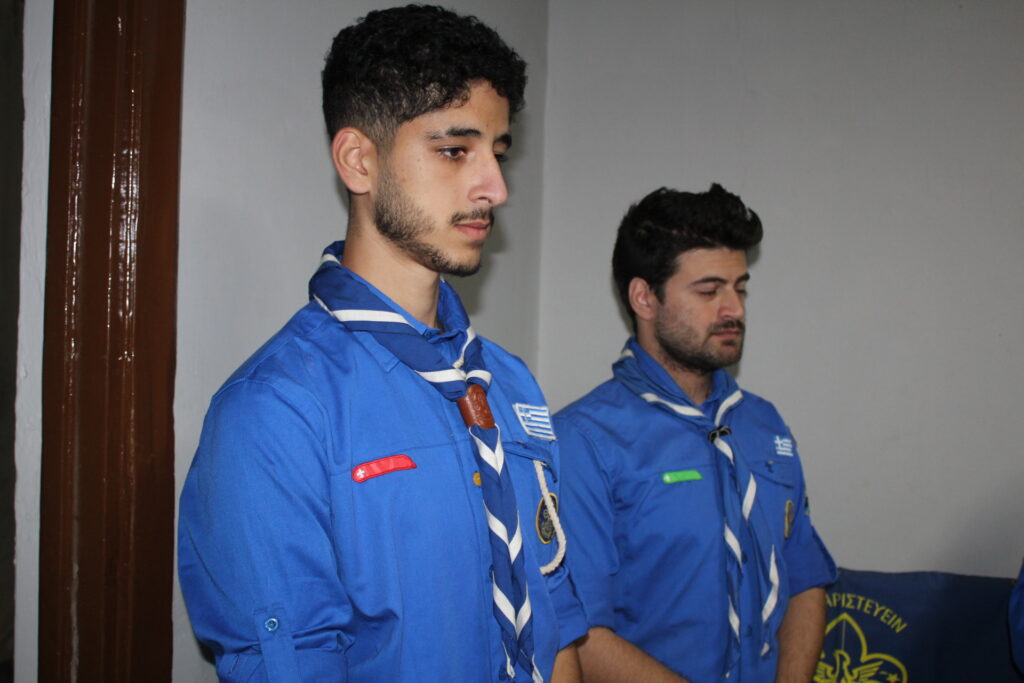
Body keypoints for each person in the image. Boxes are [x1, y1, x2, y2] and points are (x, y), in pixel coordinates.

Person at [178, 6, 585, 681]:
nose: (495, 187)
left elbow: (557, 622)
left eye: (498, 152)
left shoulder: (509, 384)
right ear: (358, 160)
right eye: (455, 150)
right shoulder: (274, 413)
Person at [554, 185, 837, 682]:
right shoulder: (584, 441)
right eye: (709, 291)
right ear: (645, 297)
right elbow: (581, 635)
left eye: (740, 288)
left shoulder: (764, 424)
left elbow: (804, 578)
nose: (734, 310)